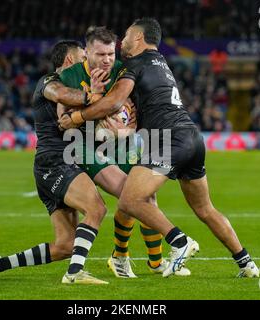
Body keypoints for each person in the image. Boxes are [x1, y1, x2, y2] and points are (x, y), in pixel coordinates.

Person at [59, 18, 259, 278]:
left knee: (131, 200)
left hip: (167, 139)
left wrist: (76, 118)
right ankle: (247, 263)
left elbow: (113, 103)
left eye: (128, 36)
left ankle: (179, 242)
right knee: (205, 208)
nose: (124, 42)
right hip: (191, 137)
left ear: (140, 39)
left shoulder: (135, 64)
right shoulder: (161, 63)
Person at [58, 26, 191, 277]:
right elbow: (63, 122)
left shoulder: (123, 70)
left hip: (123, 142)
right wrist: (93, 113)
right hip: (85, 146)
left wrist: (126, 130)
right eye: (101, 54)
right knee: (132, 197)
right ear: (86, 53)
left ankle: (150, 260)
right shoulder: (71, 76)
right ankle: (127, 255)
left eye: (110, 54)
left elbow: (134, 108)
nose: (108, 59)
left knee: (146, 198)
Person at [0, 40, 109, 285]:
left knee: (65, 246)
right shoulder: (49, 82)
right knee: (97, 208)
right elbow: (62, 95)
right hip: (55, 163)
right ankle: (74, 274)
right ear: (69, 60)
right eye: (83, 58)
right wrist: (94, 95)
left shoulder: (77, 86)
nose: (87, 63)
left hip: (57, 165)